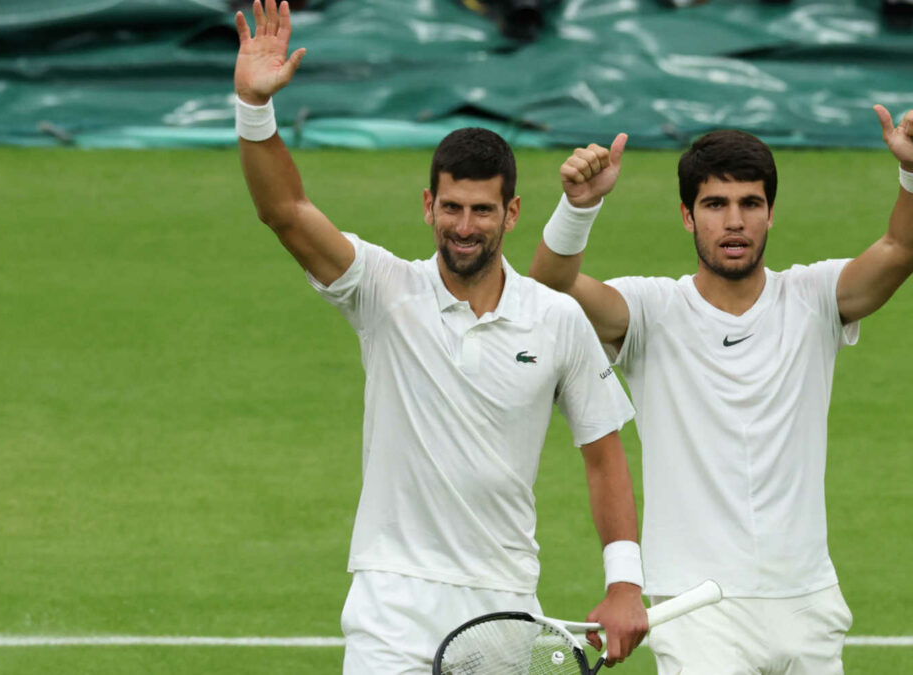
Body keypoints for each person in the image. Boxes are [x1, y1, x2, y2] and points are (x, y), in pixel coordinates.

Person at [231, 1, 648, 672]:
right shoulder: (384, 291)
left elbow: (605, 456)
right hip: (391, 602)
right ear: (428, 206)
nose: (464, 225)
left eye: (482, 210)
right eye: (450, 207)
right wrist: (255, 109)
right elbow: (284, 211)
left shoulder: (557, 318)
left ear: (510, 212)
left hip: (504, 605)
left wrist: (625, 580)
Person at [530, 109, 913, 673]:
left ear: (770, 215)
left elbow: (906, 248)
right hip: (697, 608)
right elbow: (548, 288)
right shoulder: (650, 311)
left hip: (807, 598)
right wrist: (578, 207)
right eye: (715, 204)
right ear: (687, 216)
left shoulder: (815, 297)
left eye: (750, 204)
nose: (734, 221)